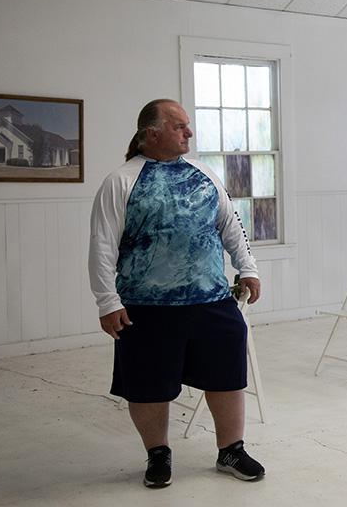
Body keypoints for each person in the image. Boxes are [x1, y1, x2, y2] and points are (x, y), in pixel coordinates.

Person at [88, 98, 265, 488]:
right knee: (148, 382)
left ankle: (231, 449)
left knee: (226, 376)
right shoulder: (121, 181)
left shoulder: (204, 174)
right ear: (151, 133)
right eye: (179, 126)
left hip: (211, 299)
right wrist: (107, 300)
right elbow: (103, 245)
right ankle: (158, 454)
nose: (188, 132)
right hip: (146, 306)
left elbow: (229, 225)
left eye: (188, 126)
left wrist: (247, 268)